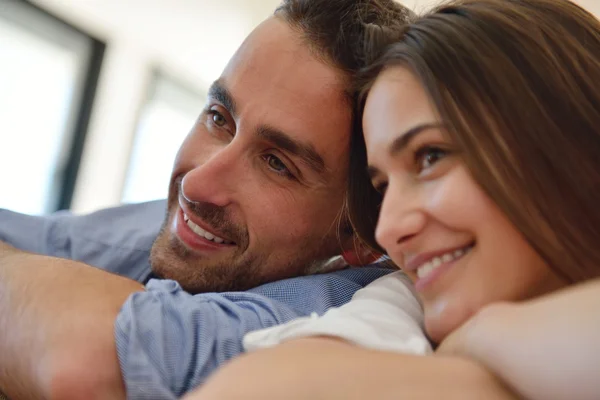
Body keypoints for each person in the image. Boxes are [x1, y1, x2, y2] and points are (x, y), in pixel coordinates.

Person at [0, 1, 413, 399]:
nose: (197, 185)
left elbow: (81, 361)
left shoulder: (342, 319)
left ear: (358, 237)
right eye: (219, 118)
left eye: (276, 163)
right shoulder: (183, 233)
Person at [187, 0, 600, 399]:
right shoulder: (409, 296)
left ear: (572, 137)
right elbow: (265, 387)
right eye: (383, 187)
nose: (388, 230)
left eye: (430, 157)